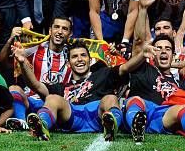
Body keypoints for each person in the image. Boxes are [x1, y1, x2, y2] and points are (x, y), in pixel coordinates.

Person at [18, 39, 151, 141]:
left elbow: (125, 68)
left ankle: (112, 125)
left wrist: (142, 55)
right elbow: (35, 85)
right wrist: (23, 62)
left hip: (98, 115)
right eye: (75, 57)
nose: (80, 59)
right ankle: (42, 125)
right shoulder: (61, 86)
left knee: (110, 98)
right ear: (69, 63)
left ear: (89, 59)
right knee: (52, 98)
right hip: (72, 115)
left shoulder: (103, 73)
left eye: (83, 55)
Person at [123, 34, 185, 143]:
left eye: (168, 49)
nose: (164, 51)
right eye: (158, 49)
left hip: (161, 116)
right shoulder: (143, 68)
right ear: (151, 55)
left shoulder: (178, 84)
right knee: (135, 100)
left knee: (182, 108)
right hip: (142, 109)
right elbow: (138, 39)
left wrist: (173, 64)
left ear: (173, 55)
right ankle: (135, 126)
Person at [2, 17, 73, 131]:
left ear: (70, 34)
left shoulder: (74, 54)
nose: (59, 32)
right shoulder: (35, 48)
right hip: (32, 100)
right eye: (56, 27)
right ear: (50, 30)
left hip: (58, 104)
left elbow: (101, 61)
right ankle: (22, 123)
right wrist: (11, 40)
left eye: (64, 29)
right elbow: (3, 65)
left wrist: (111, 51)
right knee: (14, 88)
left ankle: (45, 121)